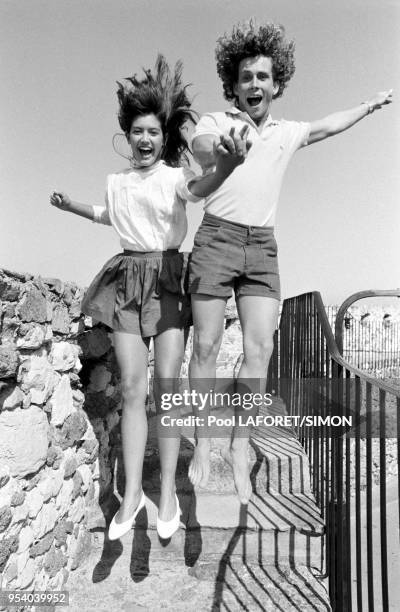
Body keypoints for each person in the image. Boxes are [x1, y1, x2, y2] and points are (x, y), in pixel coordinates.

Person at [187, 20, 393, 503]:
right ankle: (202, 440)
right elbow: (199, 146)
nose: (254, 84)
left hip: (261, 245)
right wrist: (221, 150)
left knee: (259, 350)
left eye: (263, 77)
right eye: (245, 77)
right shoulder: (217, 123)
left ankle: (240, 445)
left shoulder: (287, 132)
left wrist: (367, 106)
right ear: (233, 86)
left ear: (276, 85)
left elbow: (328, 124)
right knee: (207, 346)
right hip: (216, 237)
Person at [50, 55, 248, 539]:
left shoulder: (172, 176)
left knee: (168, 392)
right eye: (137, 131)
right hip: (126, 280)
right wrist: (70, 204)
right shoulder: (117, 182)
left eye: (153, 132)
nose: (145, 139)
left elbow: (198, 187)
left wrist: (226, 164)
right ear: (127, 134)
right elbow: (107, 214)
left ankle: (167, 501)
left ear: (164, 137)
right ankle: (132, 494)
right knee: (134, 390)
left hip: (167, 276)